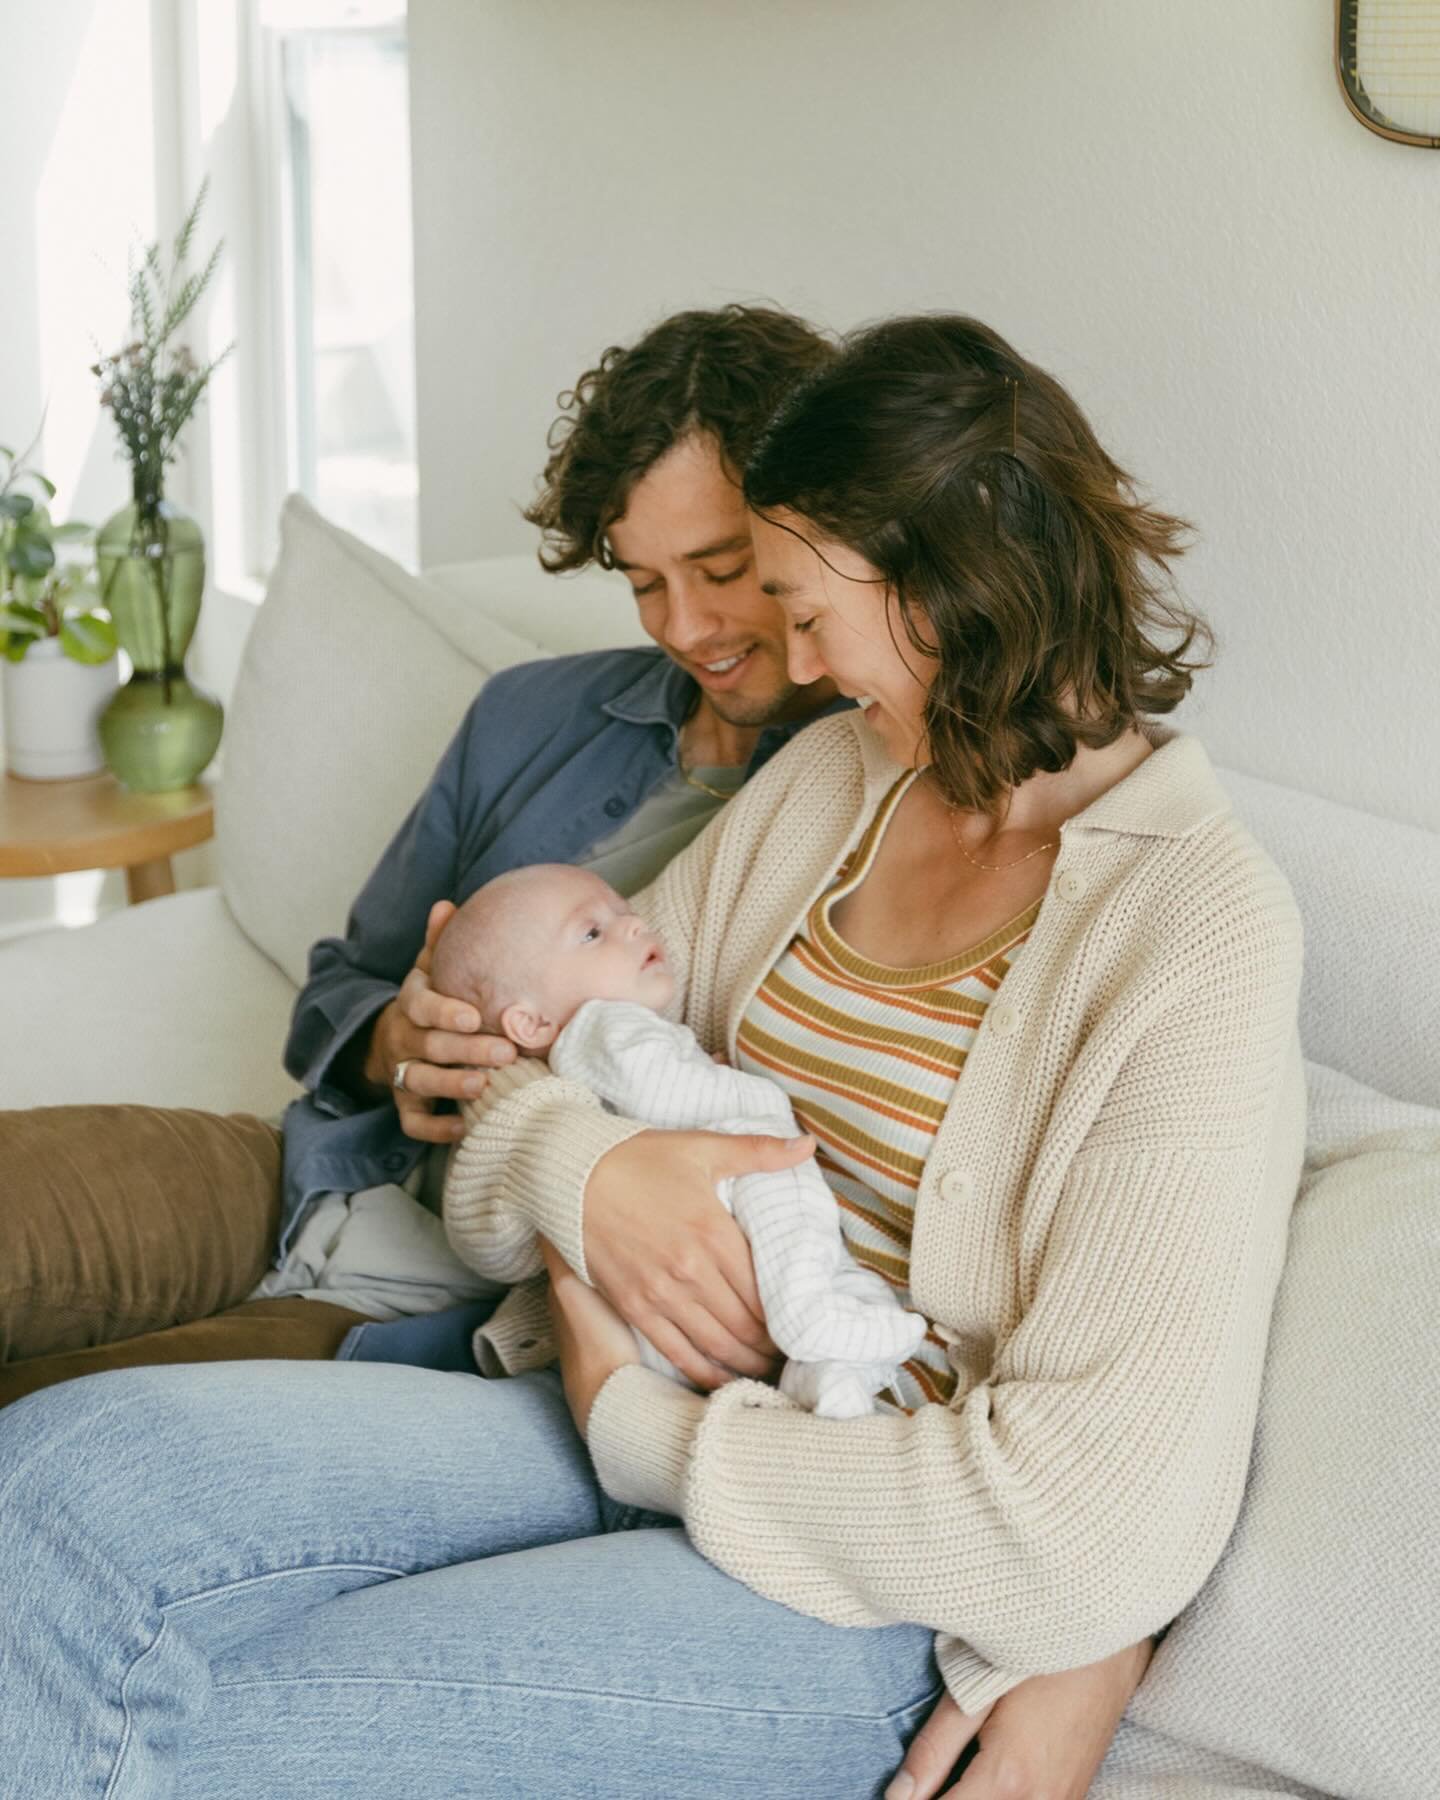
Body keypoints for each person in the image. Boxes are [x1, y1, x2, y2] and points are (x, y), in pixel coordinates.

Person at [0, 313, 1305, 1797]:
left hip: (858, 1580)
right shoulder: (837, 780)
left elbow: (1089, 1531)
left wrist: (648, 1430)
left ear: (965, 576)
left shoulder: (1196, 928)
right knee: (57, 1481)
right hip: (567, 1401)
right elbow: (527, 1094)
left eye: (813, 608)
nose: (791, 659)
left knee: (229, 1735)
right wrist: (586, 1166)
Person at [0, 303, 843, 1404]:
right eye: (643, 582)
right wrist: (395, 1038)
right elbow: (338, 986)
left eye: (722, 568)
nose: (684, 627)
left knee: (44, 1430)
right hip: (307, 1172)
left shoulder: (864, 791)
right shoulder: (529, 718)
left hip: (457, 1319)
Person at [431, 862, 926, 1416]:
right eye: (591, 932)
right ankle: (811, 1322)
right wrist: (738, 1089)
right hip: (727, 1189)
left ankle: (825, 1376)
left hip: (659, 1328)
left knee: (815, 1265)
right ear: (528, 1025)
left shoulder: (586, 1046)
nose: (635, 926)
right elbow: (666, 1089)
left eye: (625, 912)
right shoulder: (605, 1027)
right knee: (799, 1232)